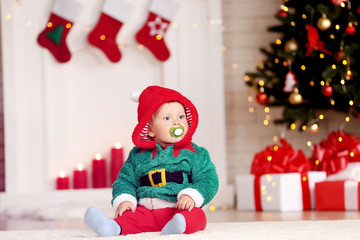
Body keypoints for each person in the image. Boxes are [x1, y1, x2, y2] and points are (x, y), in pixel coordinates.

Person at [84, 85, 219, 236]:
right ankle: (113, 228)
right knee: (130, 218)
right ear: (150, 129)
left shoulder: (196, 153)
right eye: (167, 118)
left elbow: (208, 179)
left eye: (181, 117)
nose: (176, 123)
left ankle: (178, 226)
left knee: (197, 215)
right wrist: (125, 200)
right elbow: (124, 180)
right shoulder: (138, 155)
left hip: (177, 208)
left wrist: (191, 196)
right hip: (146, 211)